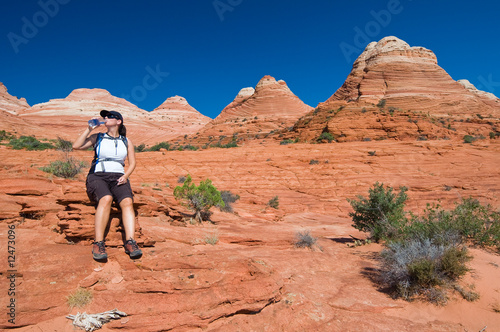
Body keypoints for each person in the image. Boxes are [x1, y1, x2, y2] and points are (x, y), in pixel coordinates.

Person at [73, 110, 142, 260]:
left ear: (118, 122)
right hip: (98, 175)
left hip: (119, 177)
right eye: (105, 117)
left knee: (128, 202)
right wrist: (89, 129)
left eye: (110, 117)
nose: (106, 118)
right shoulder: (98, 137)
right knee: (106, 199)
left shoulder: (126, 141)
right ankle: (98, 243)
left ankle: (130, 242)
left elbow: (133, 162)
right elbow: (76, 146)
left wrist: (126, 176)